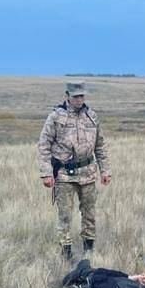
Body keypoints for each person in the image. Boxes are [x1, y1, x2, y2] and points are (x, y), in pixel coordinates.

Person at [37, 82, 112, 262]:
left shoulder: (91, 116)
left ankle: (88, 249)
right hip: (64, 175)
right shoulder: (55, 117)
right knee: (65, 214)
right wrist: (46, 173)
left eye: (82, 96)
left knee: (89, 213)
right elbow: (44, 145)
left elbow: (100, 146)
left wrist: (105, 170)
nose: (80, 99)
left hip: (88, 173)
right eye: (76, 96)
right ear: (67, 95)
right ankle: (66, 251)